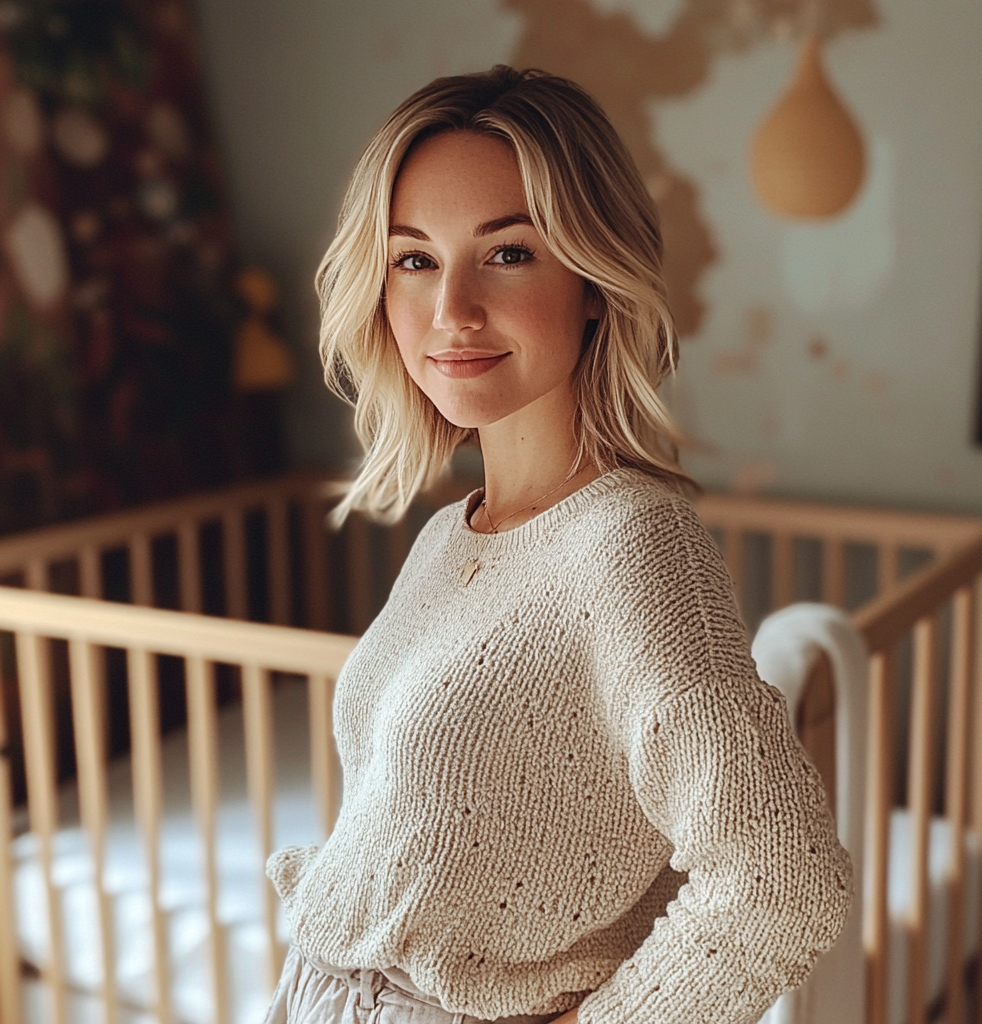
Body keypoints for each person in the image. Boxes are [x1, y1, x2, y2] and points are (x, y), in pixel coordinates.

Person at [264, 65, 852, 1024]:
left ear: (593, 280)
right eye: (414, 259)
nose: (450, 309)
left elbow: (779, 882)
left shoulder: (633, 547)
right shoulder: (449, 535)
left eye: (507, 255)